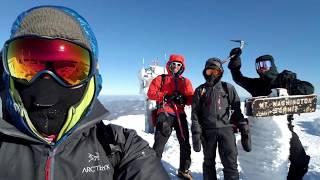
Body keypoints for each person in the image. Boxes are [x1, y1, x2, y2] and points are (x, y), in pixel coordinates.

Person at [0, 6, 170, 180]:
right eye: (28, 65)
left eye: (68, 69)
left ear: (92, 78)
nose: (46, 82)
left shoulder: (117, 146)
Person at [228, 48, 314, 180]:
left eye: (265, 64)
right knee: (262, 162)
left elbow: (309, 88)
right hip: (259, 130)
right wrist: (235, 61)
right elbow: (238, 78)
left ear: (272, 65)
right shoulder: (256, 84)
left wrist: (292, 82)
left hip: (283, 129)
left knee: (300, 161)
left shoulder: (283, 80)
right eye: (259, 65)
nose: (262, 68)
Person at [191, 58, 250, 180]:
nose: (212, 75)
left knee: (230, 163)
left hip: (226, 130)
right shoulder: (200, 90)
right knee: (208, 162)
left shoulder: (228, 88)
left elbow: (237, 111)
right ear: (204, 72)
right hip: (207, 132)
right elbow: (195, 114)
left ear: (220, 72)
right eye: (209, 71)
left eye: (215, 72)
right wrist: (196, 133)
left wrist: (244, 127)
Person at [147, 54, 194, 179]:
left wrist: (183, 98)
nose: (176, 67)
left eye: (179, 65)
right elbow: (151, 93)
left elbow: (190, 98)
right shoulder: (160, 79)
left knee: (185, 144)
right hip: (165, 113)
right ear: (169, 65)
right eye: (173, 64)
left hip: (180, 115)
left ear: (182, 67)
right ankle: (153, 171)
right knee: (159, 144)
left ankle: (184, 170)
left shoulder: (185, 82)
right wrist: (165, 96)